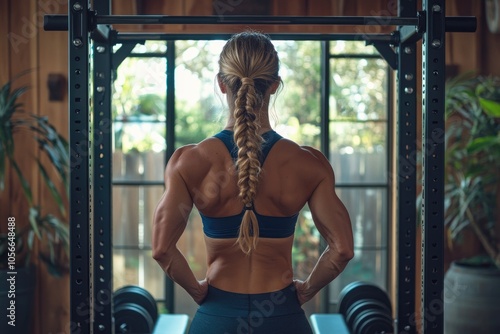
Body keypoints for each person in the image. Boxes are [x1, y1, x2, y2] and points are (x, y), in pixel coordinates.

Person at [152, 31, 354, 334]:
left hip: (216, 319)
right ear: (274, 84)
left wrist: (197, 291)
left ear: (221, 83)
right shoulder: (309, 164)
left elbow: (161, 249)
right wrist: (306, 291)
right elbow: (342, 250)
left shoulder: (188, 162)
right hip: (282, 317)